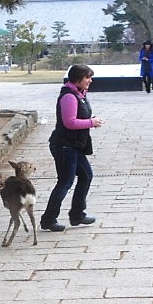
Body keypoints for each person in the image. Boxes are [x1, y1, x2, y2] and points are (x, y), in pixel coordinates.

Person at [40, 64, 104, 232]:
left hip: (75, 145)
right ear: (78, 78)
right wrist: (91, 122)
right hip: (64, 145)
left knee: (86, 175)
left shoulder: (79, 94)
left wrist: (90, 120)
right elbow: (70, 122)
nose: (90, 80)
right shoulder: (69, 96)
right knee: (65, 182)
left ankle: (77, 214)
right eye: (87, 77)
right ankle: (48, 219)